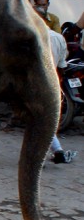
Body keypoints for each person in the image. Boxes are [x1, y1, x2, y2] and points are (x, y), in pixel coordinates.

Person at [47, 26, 76, 164]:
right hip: (52, 84)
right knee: (45, 121)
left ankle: (52, 152)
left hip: (34, 86)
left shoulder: (28, 37)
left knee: (39, 122)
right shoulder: (58, 38)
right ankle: (57, 150)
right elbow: (62, 66)